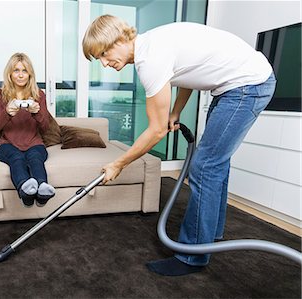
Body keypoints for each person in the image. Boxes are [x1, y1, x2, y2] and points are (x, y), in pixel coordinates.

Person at [82, 15, 276, 276]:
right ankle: (210, 234)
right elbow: (187, 74)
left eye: (104, 53)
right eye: (99, 59)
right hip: (236, 85)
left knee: (205, 166)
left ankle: (191, 256)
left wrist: (119, 163)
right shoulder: (154, 43)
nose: (104, 63)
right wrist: (176, 111)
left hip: (247, 86)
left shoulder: (149, 59)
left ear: (120, 38)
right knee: (216, 163)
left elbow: (156, 130)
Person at [0, 52, 55, 208]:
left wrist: (36, 112)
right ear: (10, 74)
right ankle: (26, 191)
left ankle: (42, 192)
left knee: (35, 158)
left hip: (34, 143)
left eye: (24, 70)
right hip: (7, 145)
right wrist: (7, 113)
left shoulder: (39, 95)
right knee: (16, 157)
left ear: (30, 74)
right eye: (16, 70)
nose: (20, 75)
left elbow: (45, 128)